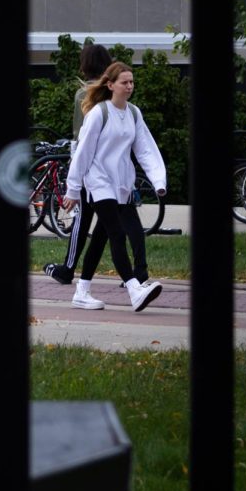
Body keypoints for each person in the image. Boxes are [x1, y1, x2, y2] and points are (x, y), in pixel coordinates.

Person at [61, 61, 165, 313]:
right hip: (98, 182)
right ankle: (134, 290)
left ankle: (82, 292)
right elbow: (83, 153)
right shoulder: (99, 113)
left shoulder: (133, 113)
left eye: (131, 82)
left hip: (121, 185)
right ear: (110, 85)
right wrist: (73, 190)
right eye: (124, 82)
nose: (129, 86)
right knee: (117, 234)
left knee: (100, 238)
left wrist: (159, 181)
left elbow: (146, 149)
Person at [43, 43, 113, 284]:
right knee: (114, 222)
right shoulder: (116, 90)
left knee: (82, 219)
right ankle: (134, 272)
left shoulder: (84, 95)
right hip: (114, 166)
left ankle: (68, 267)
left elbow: (79, 135)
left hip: (90, 164)